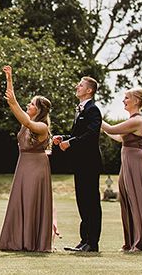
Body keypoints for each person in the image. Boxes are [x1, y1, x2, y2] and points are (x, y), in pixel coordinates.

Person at [101, 88, 142, 252]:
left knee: (137, 199)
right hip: (128, 161)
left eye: (126, 98)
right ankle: (132, 240)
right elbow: (117, 136)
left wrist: (95, 118)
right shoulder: (131, 121)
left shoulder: (137, 121)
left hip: (135, 163)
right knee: (128, 199)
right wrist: (103, 128)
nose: (123, 101)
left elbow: (113, 129)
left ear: (136, 101)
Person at [0, 66, 53, 252]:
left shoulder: (41, 126)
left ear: (38, 110)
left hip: (36, 168)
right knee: (19, 201)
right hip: (23, 165)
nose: (28, 105)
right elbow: (14, 106)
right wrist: (9, 79)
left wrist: (13, 100)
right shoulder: (27, 122)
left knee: (30, 201)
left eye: (31, 104)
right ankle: (17, 240)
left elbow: (25, 120)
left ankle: (31, 241)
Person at [52, 76, 102, 252]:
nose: (77, 87)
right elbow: (78, 133)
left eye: (80, 85)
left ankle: (92, 243)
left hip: (90, 163)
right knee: (82, 201)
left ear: (89, 90)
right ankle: (84, 240)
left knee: (91, 202)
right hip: (80, 164)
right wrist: (63, 138)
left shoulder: (93, 109)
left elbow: (90, 135)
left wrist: (70, 143)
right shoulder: (80, 109)